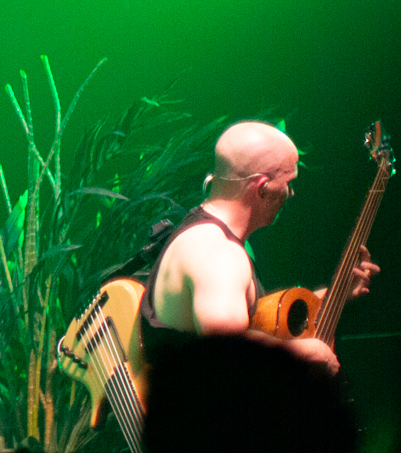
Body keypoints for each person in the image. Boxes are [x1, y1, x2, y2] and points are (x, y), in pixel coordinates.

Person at [142, 120, 379, 372]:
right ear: (262, 187)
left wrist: (338, 292)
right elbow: (228, 349)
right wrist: (304, 353)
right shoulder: (219, 254)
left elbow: (259, 319)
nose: (291, 193)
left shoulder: (211, 235)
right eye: (288, 183)